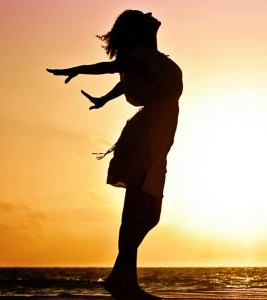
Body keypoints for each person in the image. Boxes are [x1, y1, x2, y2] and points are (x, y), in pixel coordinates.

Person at [47, 10, 182, 300]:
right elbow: (109, 69)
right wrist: (79, 69)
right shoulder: (141, 55)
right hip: (146, 138)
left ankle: (119, 277)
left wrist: (103, 99)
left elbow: (124, 82)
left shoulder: (151, 59)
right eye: (143, 15)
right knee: (140, 210)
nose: (150, 13)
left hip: (155, 138)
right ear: (139, 29)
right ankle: (124, 282)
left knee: (145, 213)